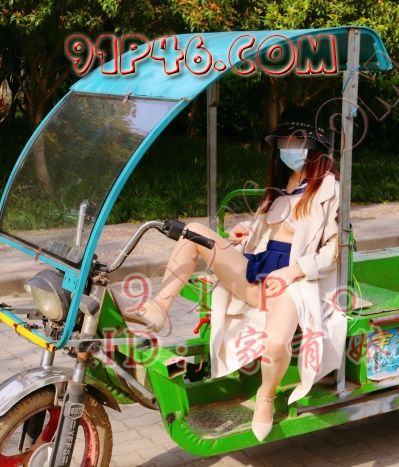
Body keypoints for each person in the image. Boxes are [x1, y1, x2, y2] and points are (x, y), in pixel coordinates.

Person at [123, 106, 346, 442]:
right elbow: (272, 230)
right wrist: (247, 231)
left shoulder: (328, 187)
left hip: (292, 283)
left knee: (276, 342)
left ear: (313, 144)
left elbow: (332, 253)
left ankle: (266, 396)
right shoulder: (282, 184)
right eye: (283, 141)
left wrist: (291, 273)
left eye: (296, 141)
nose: (288, 148)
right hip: (256, 272)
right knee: (194, 232)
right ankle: (158, 308)